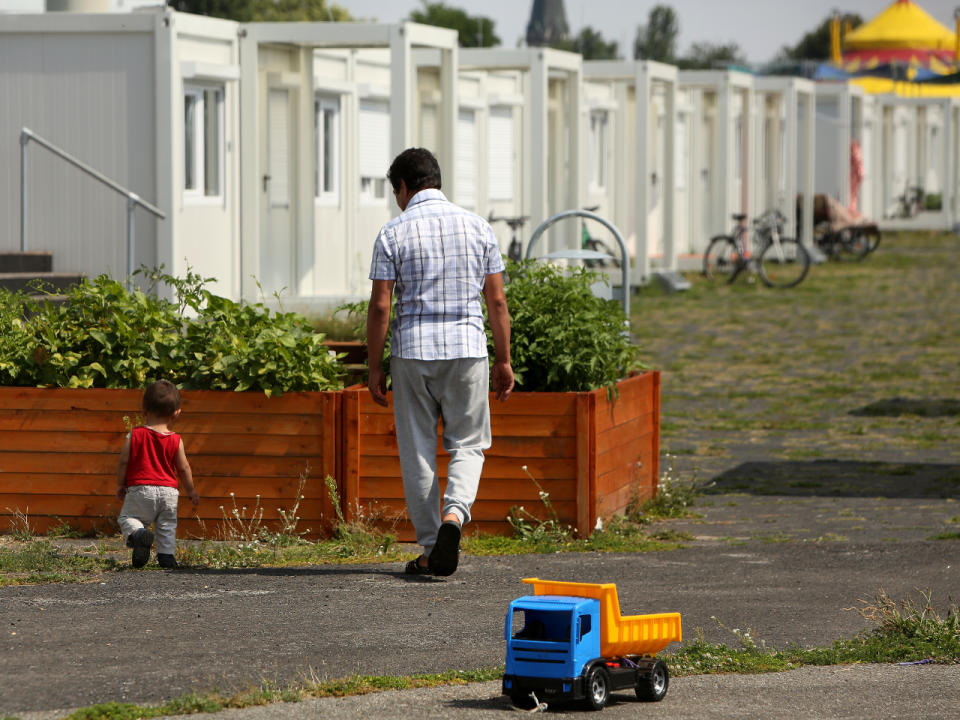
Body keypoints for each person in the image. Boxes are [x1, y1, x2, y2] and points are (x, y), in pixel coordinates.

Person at [366, 147, 514, 577]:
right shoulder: (479, 227)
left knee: (418, 452)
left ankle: (432, 548)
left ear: (405, 187)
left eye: (396, 191)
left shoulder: (392, 233)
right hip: (468, 348)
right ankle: (455, 516)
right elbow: (498, 301)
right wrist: (504, 360)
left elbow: (380, 306)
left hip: (412, 352)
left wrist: (375, 367)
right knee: (468, 444)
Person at [115, 379, 198, 569]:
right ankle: (167, 557)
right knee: (166, 526)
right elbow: (184, 468)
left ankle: (138, 534)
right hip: (169, 492)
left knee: (127, 519)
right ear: (176, 413)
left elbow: (124, 461)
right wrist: (191, 491)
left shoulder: (135, 435)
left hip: (140, 489)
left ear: (143, 409)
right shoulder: (176, 440)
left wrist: (121, 483)